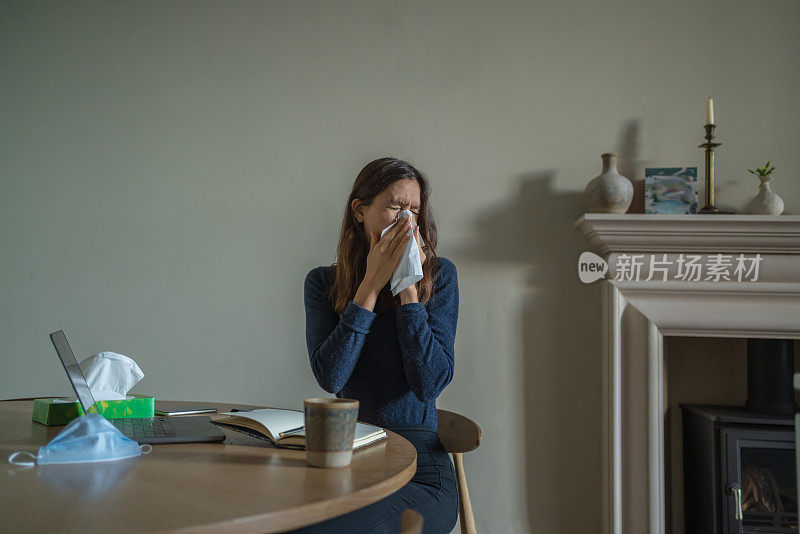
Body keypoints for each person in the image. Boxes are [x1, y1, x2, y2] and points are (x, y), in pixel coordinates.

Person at [290, 157, 459, 534]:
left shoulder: (440, 276)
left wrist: (407, 288)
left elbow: (428, 383)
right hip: (350, 459)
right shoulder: (322, 283)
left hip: (420, 469)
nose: (407, 222)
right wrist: (370, 285)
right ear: (360, 210)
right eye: (396, 208)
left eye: (414, 210)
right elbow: (331, 376)